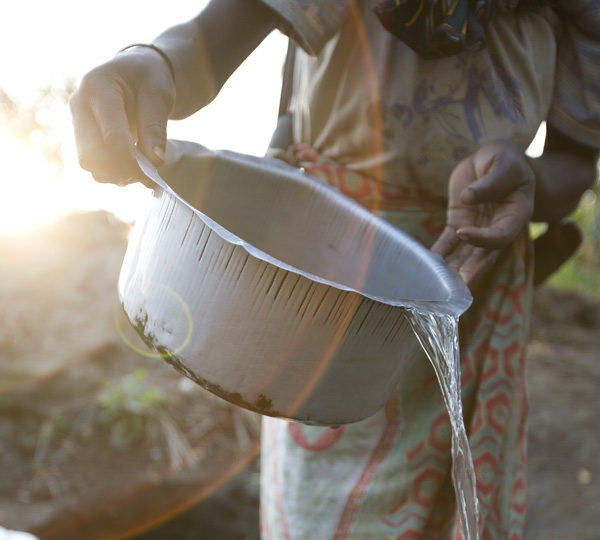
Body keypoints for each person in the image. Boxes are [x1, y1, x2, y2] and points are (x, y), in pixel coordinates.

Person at [70, 0, 599, 537]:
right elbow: (216, 37)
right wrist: (152, 62)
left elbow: (575, 162)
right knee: (316, 503)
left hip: (469, 265)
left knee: (454, 511)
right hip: (315, 267)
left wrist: (529, 181)